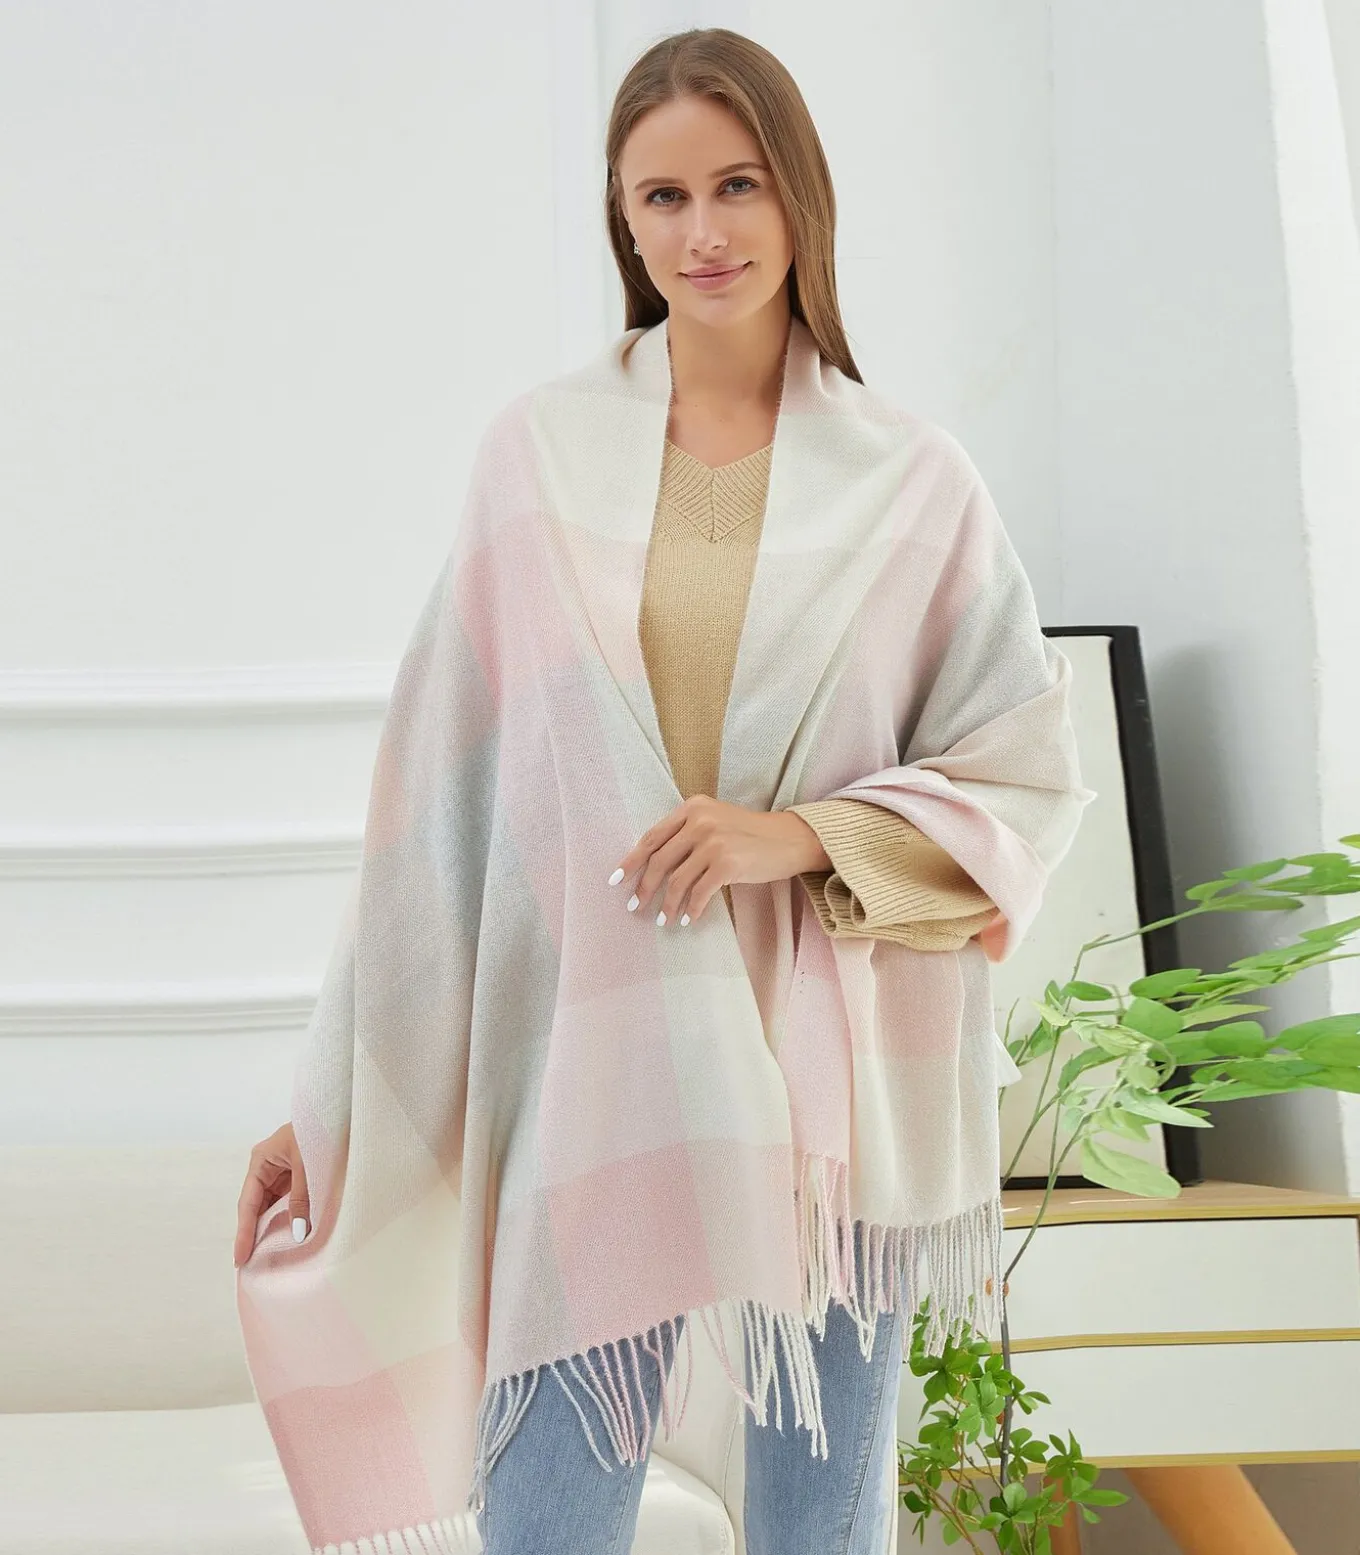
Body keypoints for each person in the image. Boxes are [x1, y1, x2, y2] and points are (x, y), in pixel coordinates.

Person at [235, 26, 1090, 1555]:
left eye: (739, 185)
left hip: (836, 1102)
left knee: (819, 1530)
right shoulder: (538, 460)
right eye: (663, 197)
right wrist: (332, 1101)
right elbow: (436, 815)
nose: (705, 231)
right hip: (605, 1059)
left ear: (800, 196)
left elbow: (1023, 772)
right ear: (622, 223)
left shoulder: (915, 483)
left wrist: (800, 837)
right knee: (551, 1518)